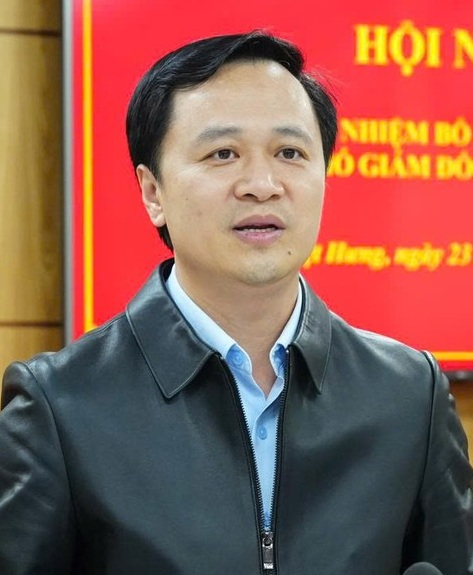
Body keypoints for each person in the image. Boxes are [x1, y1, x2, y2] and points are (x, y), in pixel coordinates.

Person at [0, 31, 471, 575]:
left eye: (290, 153)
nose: (262, 185)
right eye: (223, 154)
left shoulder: (410, 396)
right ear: (153, 192)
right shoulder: (61, 406)